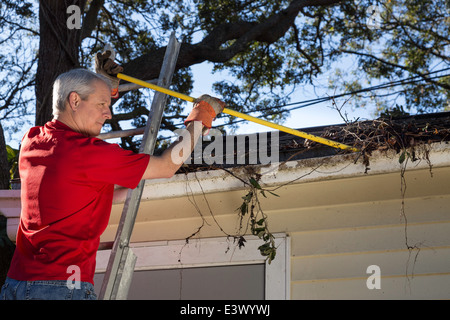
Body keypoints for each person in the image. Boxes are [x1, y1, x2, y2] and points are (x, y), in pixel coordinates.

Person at [0, 52, 225, 300]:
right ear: (74, 101)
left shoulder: (31, 140)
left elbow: (71, 147)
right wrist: (200, 117)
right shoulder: (90, 155)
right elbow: (165, 166)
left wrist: (104, 87)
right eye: (102, 105)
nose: (108, 114)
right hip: (60, 288)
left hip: (16, 284)